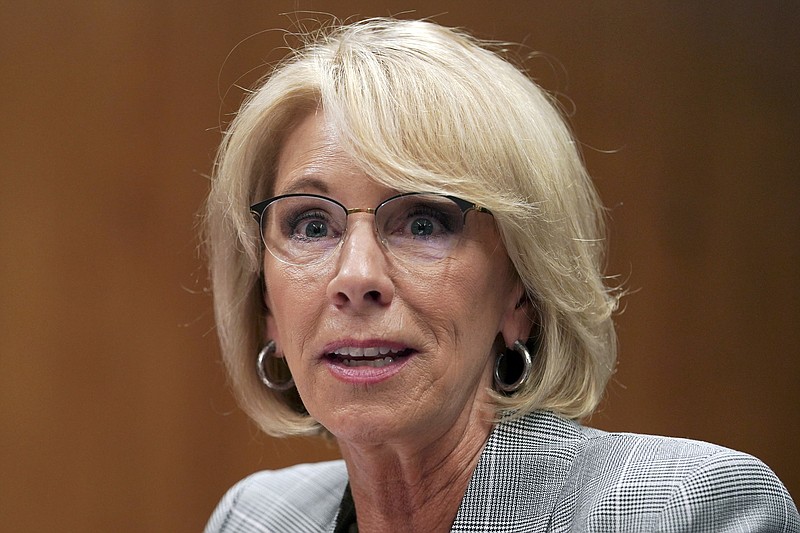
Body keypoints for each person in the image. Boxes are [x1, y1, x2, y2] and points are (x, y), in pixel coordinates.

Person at [203, 17, 798, 533]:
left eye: (424, 222)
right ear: (267, 306)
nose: (356, 276)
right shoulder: (257, 517)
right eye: (310, 225)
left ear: (523, 294)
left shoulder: (684, 513)